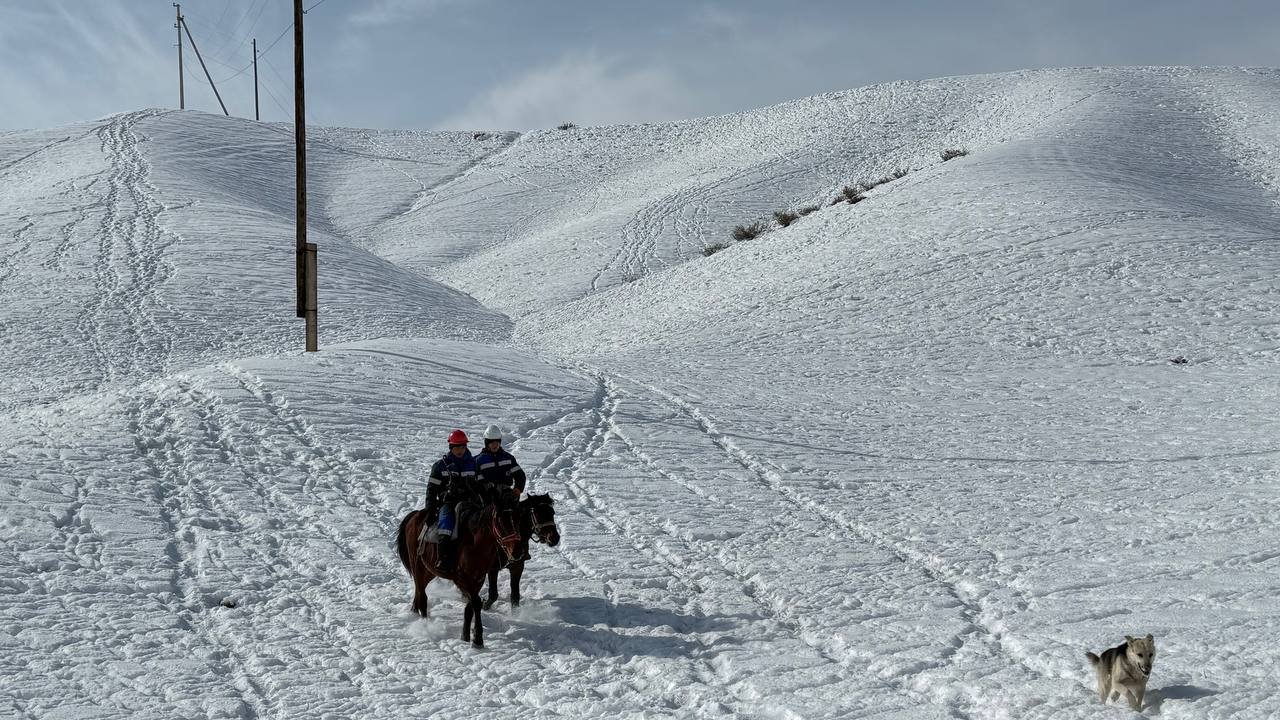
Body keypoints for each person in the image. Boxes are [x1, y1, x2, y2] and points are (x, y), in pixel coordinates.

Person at [424, 428, 481, 573]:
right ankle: (443, 559)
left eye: (463, 447)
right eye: (457, 447)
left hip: (470, 504)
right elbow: (431, 490)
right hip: (448, 504)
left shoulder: (474, 464)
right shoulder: (440, 466)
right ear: (451, 447)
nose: (460, 450)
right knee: (446, 525)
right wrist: (429, 510)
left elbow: (481, 486)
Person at [474, 424, 526, 506]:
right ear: (487, 443)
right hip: (487, 497)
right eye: (492, 442)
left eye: (497, 442)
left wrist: (518, 488)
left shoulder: (508, 458)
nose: (495, 445)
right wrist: (487, 489)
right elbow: (477, 481)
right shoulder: (478, 461)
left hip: (507, 495)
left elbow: (520, 475)